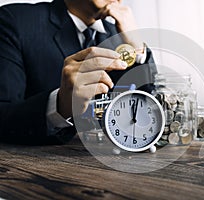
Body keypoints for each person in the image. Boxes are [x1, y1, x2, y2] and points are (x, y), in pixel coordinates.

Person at [0, 0, 156, 144]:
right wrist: (59, 106)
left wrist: (138, 49)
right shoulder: (14, 20)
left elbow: (149, 115)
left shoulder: (121, 38)